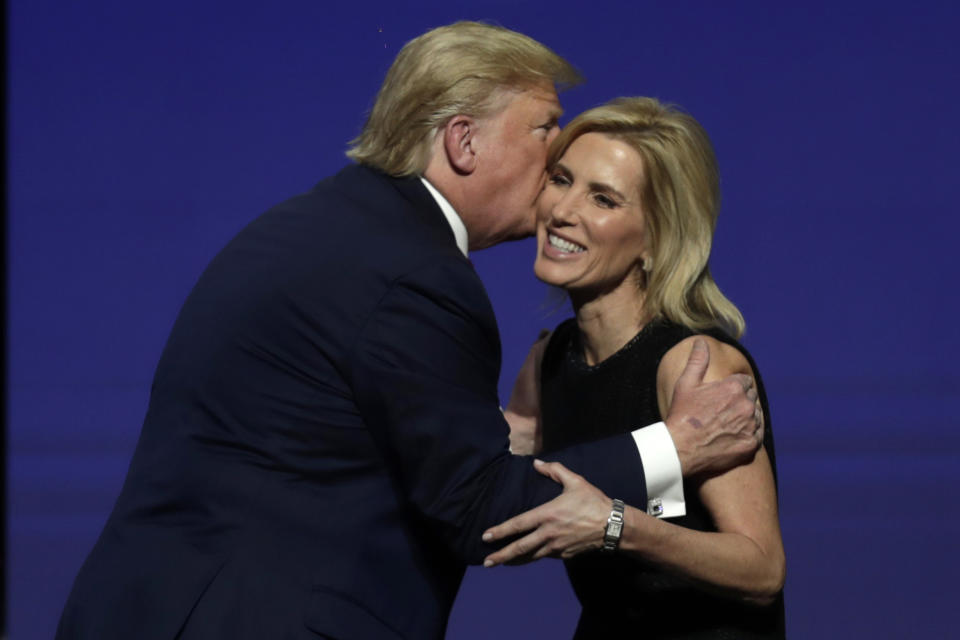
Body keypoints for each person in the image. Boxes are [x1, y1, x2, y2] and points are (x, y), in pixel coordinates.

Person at [55, 25, 763, 640]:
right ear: (463, 141)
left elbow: (761, 565)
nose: (555, 166)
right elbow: (477, 506)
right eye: (546, 129)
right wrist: (678, 445)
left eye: (601, 195)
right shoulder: (417, 277)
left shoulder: (326, 224)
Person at [488, 98, 786, 637]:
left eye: (602, 198)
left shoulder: (697, 364)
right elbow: (499, 492)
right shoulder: (549, 357)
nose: (561, 210)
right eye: (561, 180)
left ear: (656, 240)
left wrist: (616, 527)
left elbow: (761, 567)